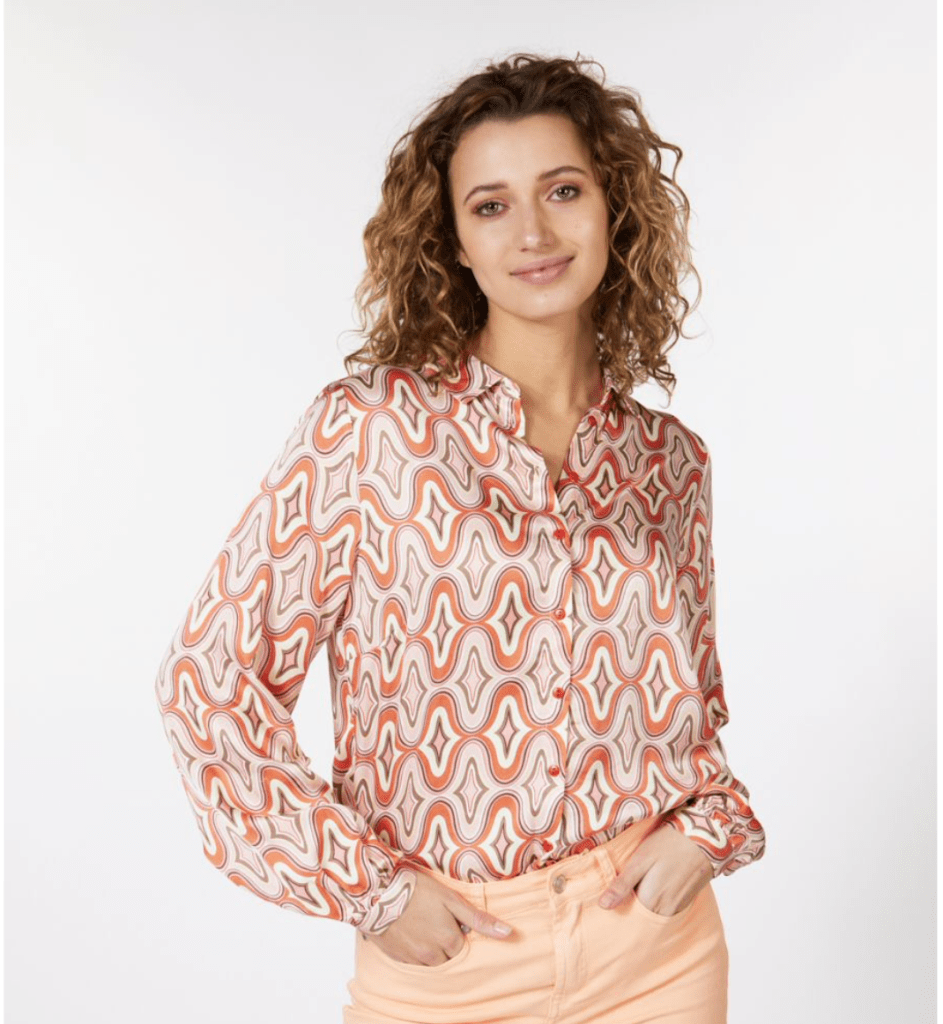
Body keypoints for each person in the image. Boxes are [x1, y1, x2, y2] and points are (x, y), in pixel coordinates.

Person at [154, 51, 766, 1024]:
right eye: (490, 205)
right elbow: (210, 680)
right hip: (454, 964)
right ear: (453, 242)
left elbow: (688, 708)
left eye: (562, 190)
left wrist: (707, 828)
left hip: (657, 956)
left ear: (614, 207)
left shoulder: (668, 461)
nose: (533, 232)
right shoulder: (370, 432)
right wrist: (369, 890)